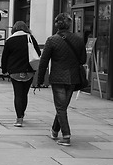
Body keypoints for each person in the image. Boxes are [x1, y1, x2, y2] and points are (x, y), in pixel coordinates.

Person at [37, 13, 86, 146]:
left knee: (60, 107)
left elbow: (43, 61)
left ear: (56, 25)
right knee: (62, 107)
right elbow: (83, 60)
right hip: (73, 77)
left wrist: (40, 79)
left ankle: (66, 135)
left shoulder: (52, 40)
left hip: (58, 77)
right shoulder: (79, 39)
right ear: (69, 24)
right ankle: (54, 131)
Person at [1, 21, 41, 127]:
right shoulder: (30, 38)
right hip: (29, 70)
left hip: (15, 71)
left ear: (14, 29)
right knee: (24, 94)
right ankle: (22, 113)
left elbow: (5, 56)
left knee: (18, 94)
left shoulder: (10, 40)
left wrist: (4, 70)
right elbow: (38, 53)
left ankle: (19, 118)